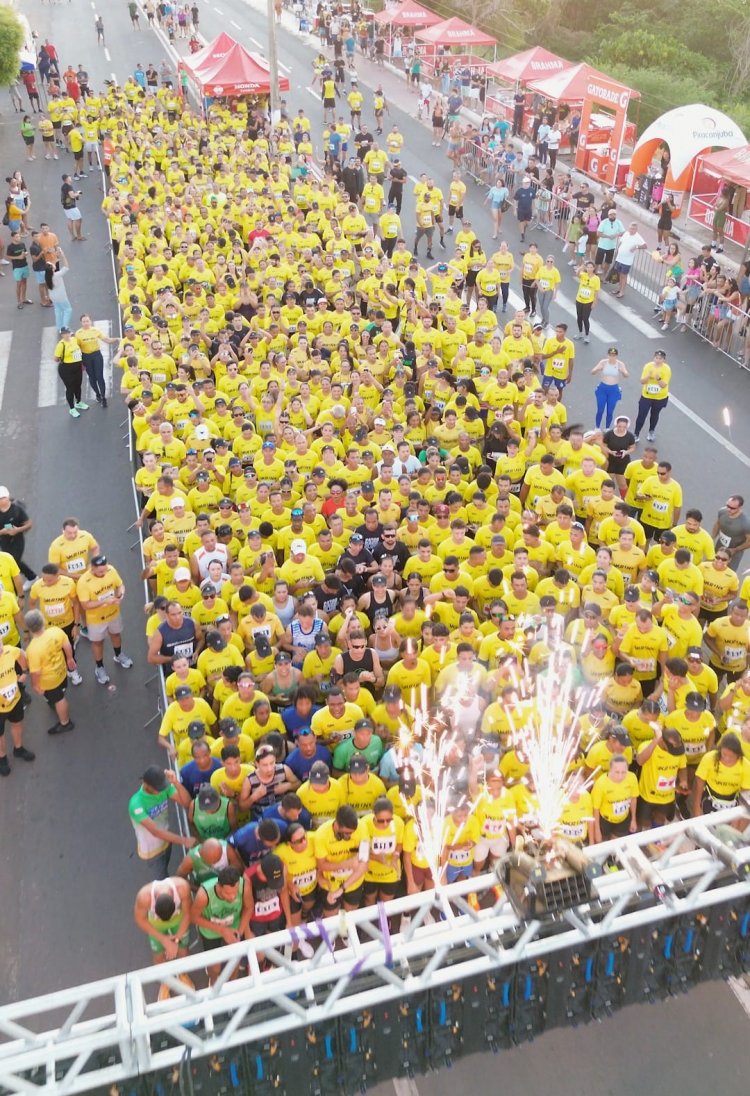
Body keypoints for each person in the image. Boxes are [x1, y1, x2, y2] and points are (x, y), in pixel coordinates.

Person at [75, 554, 134, 684]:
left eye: (105, 569)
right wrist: (104, 602)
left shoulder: (111, 570)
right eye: (100, 571)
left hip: (113, 613)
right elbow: (85, 605)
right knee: (98, 643)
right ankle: (99, 667)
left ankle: (118, 655)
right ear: (92, 569)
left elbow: (120, 585)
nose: (104, 573)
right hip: (96, 619)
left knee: (116, 634)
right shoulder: (83, 582)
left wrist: (121, 595)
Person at [133, 877, 193, 997]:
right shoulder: (144, 896)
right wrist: (164, 940)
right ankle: (166, 980)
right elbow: (140, 919)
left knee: (183, 950)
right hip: (157, 924)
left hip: (178, 920)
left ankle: (182, 973)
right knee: (158, 955)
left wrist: (177, 940)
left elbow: (187, 914)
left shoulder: (182, 888)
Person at [24, 609, 77, 735]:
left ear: (29, 628)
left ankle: (65, 723)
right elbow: (67, 645)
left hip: (49, 682)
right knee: (60, 692)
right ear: (43, 621)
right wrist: (70, 658)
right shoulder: (55, 631)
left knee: (59, 699)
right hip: (61, 671)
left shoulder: (32, 649)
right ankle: (58, 700)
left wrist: (35, 685)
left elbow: (36, 672)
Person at [0, 637, 34, 776]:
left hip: (15, 700)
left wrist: (25, 672)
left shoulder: (9, 651)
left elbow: (21, 654)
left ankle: (18, 749)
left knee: (17, 723)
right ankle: (2, 758)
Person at [633, 350, 671, 443]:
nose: (658, 360)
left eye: (660, 359)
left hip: (660, 397)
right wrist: (648, 376)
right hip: (647, 396)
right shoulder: (648, 366)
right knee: (641, 415)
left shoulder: (666, 369)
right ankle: (636, 434)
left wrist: (658, 378)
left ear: (664, 360)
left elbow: (663, 385)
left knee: (654, 414)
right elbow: (642, 381)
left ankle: (651, 431)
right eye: (656, 358)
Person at [0, 487, 35, 586]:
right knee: (10, 560)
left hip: (17, 538)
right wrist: (2, 532)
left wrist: (17, 530)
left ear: (8, 497)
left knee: (14, 560)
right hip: (3, 539)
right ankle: (31, 577)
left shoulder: (16, 510)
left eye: (3, 498)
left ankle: (25, 579)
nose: (1, 501)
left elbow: (29, 524)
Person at [591, 348, 629, 430]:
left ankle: (607, 428)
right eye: (610, 355)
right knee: (600, 409)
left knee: (610, 411)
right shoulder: (603, 362)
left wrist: (623, 372)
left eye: (614, 355)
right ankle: (597, 427)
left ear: (616, 356)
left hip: (613, 389)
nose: (612, 357)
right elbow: (593, 372)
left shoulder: (620, 364)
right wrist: (597, 369)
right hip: (603, 388)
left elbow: (626, 375)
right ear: (608, 355)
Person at [45, 254, 72, 333]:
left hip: (53, 297)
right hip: (61, 296)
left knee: (58, 310)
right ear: (53, 269)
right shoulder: (57, 275)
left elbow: (50, 266)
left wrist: (54, 260)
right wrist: (63, 255)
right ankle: (65, 328)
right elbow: (66, 267)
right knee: (68, 310)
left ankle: (59, 327)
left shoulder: (47, 276)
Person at [60, 175, 84, 242]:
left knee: (70, 219)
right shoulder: (69, 187)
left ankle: (72, 236)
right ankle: (79, 236)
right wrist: (78, 193)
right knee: (78, 220)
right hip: (71, 206)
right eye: (69, 177)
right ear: (67, 179)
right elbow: (72, 196)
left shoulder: (63, 186)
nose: (71, 178)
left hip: (66, 206)